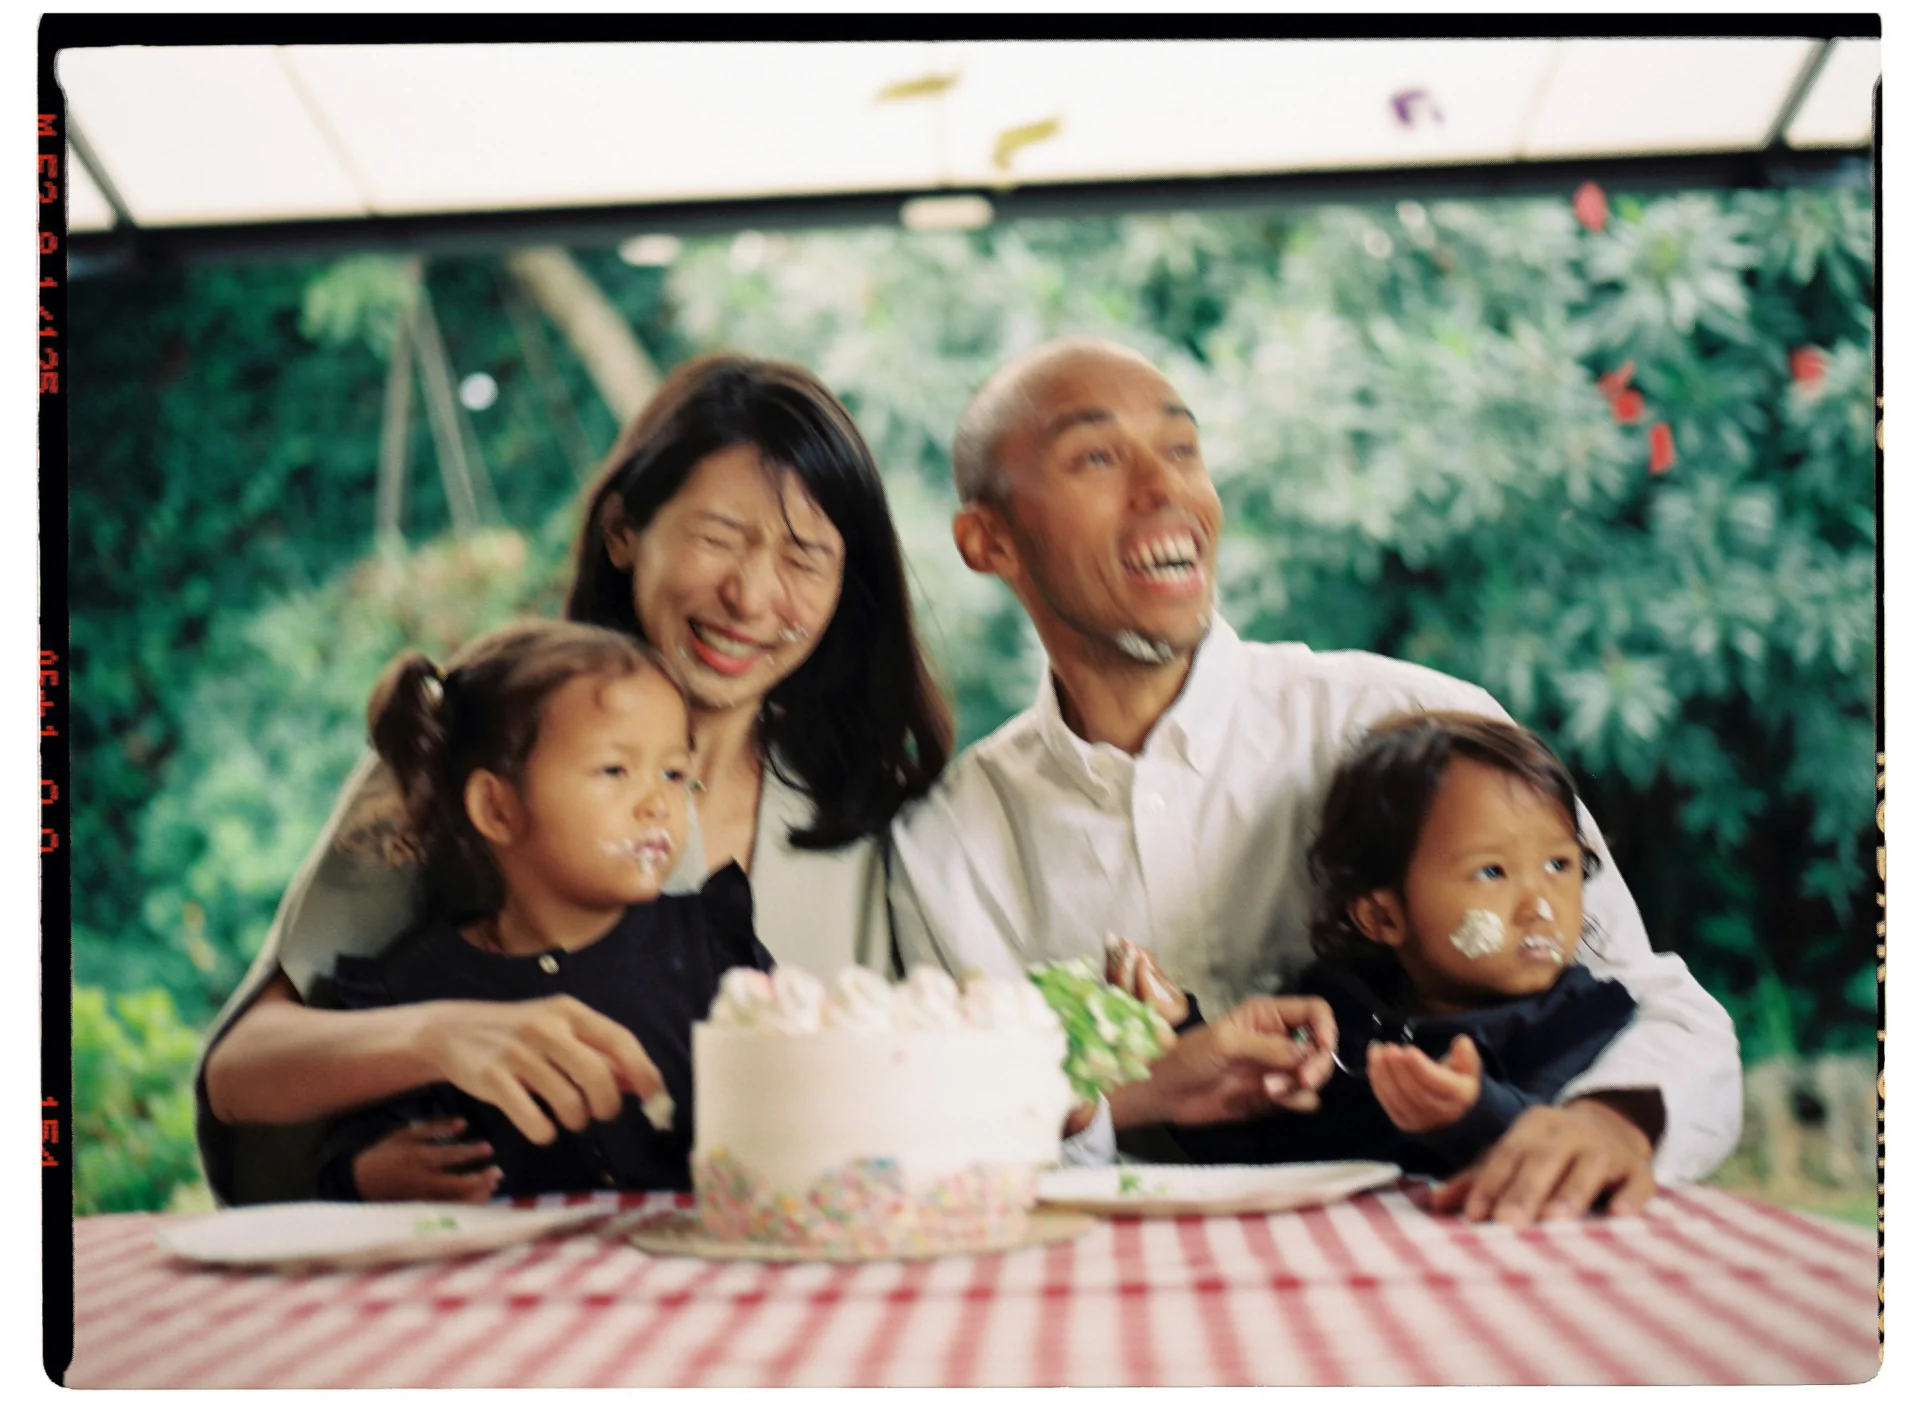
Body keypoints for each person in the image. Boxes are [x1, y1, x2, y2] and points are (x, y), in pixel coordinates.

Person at [889, 337, 1742, 1223]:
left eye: (1183, 449)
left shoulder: (1420, 723)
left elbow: (1659, 1007)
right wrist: (1125, 1097)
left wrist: (1611, 1119)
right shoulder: (947, 845)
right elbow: (945, 1133)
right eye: (1098, 456)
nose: (1165, 488)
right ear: (988, 540)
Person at [198, 353, 952, 1205]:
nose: (751, 595)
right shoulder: (477, 746)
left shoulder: (872, 798)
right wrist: (442, 1034)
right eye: (718, 537)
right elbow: (244, 1065)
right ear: (623, 531)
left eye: (805, 557)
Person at [317, 620, 772, 1200]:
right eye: (614, 770)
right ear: (498, 808)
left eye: (674, 774)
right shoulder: (412, 989)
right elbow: (338, 1163)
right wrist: (368, 1174)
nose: (659, 803)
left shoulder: (713, 944)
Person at [1172, 710, 1639, 1181]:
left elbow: (1555, 1148)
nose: (1540, 907)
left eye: (1559, 864)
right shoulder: (1339, 1013)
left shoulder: (1580, 1020)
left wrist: (1474, 1114)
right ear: (1383, 916)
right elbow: (1261, 1150)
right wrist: (1180, 1037)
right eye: (1492, 872)